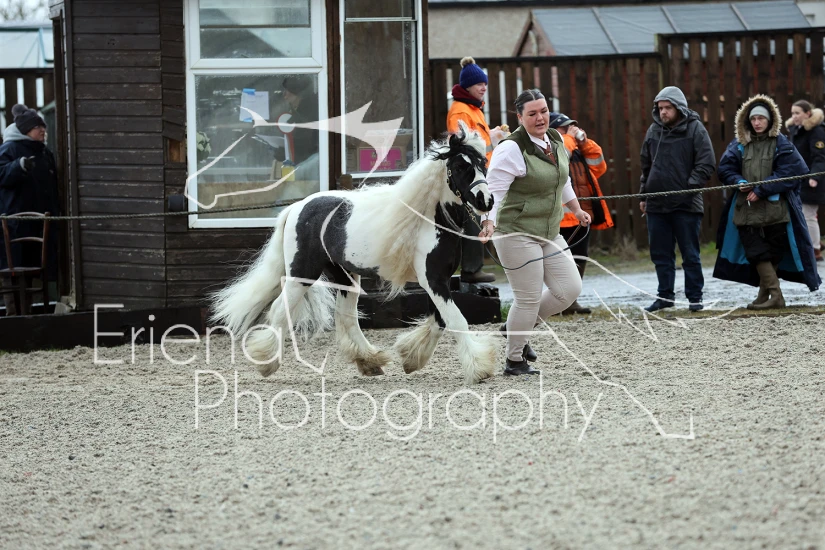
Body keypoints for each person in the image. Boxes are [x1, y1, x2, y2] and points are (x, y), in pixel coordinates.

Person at [479, 89, 591, 376]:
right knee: (527, 299)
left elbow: (562, 179)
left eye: (543, 111)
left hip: (549, 231)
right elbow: (494, 192)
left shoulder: (555, 139)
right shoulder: (510, 149)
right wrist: (488, 222)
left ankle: (515, 328)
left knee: (569, 289)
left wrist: (576, 210)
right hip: (516, 232)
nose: (540, 118)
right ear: (520, 117)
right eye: (532, 114)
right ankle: (515, 360)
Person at [714, 94, 820, 308]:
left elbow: (794, 170)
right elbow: (725, 169)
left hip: (776, 208)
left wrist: (762, 189)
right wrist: (738, 181)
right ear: (747, 120)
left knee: (773, 252)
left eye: (761, 118)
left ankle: (766, 296)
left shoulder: (781, 143)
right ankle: (776, 295)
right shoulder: (739, 144)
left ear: (770, 119)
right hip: (746, 208)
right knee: (755, 251)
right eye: (753, 119)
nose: (757, 123)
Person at [639, 86, 716, 312]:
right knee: (661, 255)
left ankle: (695, 298)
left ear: (679, 108)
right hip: (656, 204)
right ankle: (665, 296)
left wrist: (688, 188)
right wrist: (644, 195)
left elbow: (706, 162)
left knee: (690, 255)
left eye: (668, 108)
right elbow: (646, 165)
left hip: (686, 204)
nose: (663, 112)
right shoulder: (653, 130)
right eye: (660, 108)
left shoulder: (695, 129)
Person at [446, 56, 507, 284]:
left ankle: (473, 268)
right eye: (479, 84)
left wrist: (493, 135)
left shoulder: (472, 108)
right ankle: (472, 270)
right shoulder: (462, 111)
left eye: (485, 84)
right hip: (470, 176)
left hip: (477, 172)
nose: (484, 88)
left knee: (477, 217)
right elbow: (464, 146)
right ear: (468, 86)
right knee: (473, 218)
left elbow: (475, 140)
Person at [548, 112, 613, 315]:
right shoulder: (553, 149)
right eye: (564, 128)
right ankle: (557, 302)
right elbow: (558, 159)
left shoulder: (576, 150)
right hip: (560, 219)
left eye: (572, 127)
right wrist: (569, 139)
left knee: (579, 258)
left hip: (580, 216)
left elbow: (599, 166)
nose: (571, 131)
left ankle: (571, 301)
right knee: (558, 262)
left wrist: (584, 143)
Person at [0, 104, 60, 314]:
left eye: (43, 127)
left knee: (35, 271)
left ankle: (30, 318)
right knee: (13, 272)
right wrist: (18, 166)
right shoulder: (9, 149)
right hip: (15, 224)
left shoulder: (44, 153)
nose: (42, 130)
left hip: (39, 224)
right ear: (25, 130)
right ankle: (14, 318)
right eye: (37, 127)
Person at [786, 99, 825, 262]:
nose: (794, 116)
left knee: (808, 215)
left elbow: (820, 157)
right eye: (792, 113)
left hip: (812, 180)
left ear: (807, 114)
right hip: (798, 180)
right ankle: (814, 242)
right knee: (800, 215)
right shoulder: (796, 130)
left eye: (798, 113)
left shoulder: (816, 131)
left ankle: (815, 249)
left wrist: (814, 177)